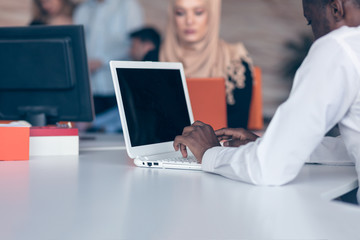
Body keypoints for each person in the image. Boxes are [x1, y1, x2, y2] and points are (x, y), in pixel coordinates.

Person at [173, 0, 360, 203]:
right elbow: (349, 149)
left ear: (336, 9)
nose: (315, 37)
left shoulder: (340, 46)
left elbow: (269, 168)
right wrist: (270, 144)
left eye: (310, 21)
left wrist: (210, 152)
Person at [159, 0, 253, 128]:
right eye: (180, 13)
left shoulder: (234, 61)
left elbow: (238, 126)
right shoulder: (155, 58)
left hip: (219, 146)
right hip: (166, 146)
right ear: (172, 15)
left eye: (198, 12)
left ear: (212, 14)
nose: (189, 21)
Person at [73, 0, 144, 116]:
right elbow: (77, 43)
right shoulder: (83, 9)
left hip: (117, 85)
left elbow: (134, 44)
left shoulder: (128, 5)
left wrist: (102, 61)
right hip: (90, 89)